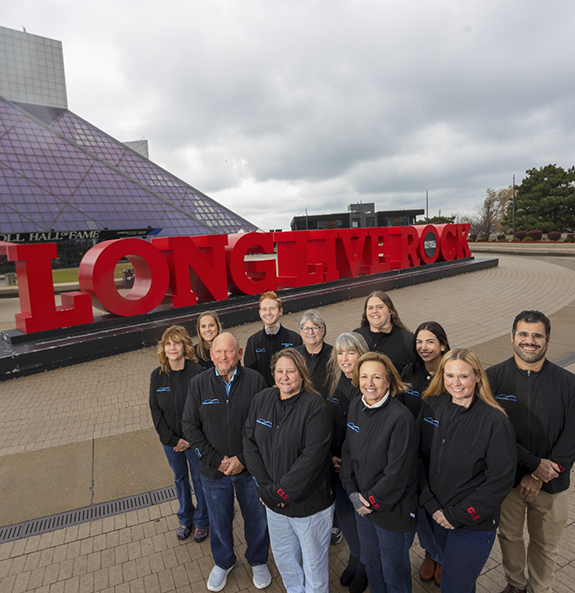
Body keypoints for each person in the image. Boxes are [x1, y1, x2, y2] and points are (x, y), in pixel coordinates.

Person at [485, 311, 575, 593]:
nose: (530, 341)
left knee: (546, 546)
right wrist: (532, 465)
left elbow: (572, 435)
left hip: (553, 483)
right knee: (509, 537)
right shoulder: (492, 379)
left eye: (537, 335)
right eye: (523, 334)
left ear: (547, 341)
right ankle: (515, 584)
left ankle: (540, 588)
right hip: (508, 480)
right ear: (512, 337)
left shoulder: (568, 382)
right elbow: (492, 434)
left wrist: (540, 475)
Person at [419, 348, 516, 593]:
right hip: (437, 516)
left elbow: (500, 480)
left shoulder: (494, 421)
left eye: (463, 376)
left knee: (454, 587)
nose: (456, 383)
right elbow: (417, 457)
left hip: (471, 524)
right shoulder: (432, 405)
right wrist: (431, 505)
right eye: (450, 375)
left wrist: (456, 515)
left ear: (478, 377)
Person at [183, 332, 271, 592]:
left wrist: (242, 459)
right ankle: (223, 562)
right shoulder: (198, 384)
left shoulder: (256, 381)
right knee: (219, 519)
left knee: (256, 517)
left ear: (239, 353)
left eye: (229, 351)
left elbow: (263, 425)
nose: (224, 356)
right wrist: (217, 460)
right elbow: (189, 426)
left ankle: (257, 559)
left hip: (249, 469)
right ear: (211, 354)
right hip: (214, 471)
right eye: (218, 352)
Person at [243, 348, 335, 593]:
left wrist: (281, 492)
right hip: (273, 503)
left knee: (314, 567)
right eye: (279, 371)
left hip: (309, 506)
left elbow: (312, 458)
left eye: (290, 371)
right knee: (286, 560)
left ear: (302, 374)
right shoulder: (262, 399)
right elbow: (249, 442)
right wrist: (265, 489)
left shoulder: (315, 406)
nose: (284, 377)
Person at [340, 352, 418, 593]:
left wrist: (369, 501)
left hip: (392, 512)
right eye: (364, 376)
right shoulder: (355, 405)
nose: (369, 383)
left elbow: (397, 472)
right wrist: (352, 492)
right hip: (363, 506)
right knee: (373, 566)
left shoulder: (400, 418)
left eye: (376, 377)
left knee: (394, 574)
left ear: (389, 381)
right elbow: (347, 451)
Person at [149, 325, 209, 543]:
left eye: (177, 343)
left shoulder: (198, 373)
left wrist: (190, 439)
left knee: (200, 479)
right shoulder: (157, 376)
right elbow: (156, 412)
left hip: (195, 442)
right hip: (171, 443)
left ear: (185, 346)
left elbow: (203, 410)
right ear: (163, 349)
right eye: (168, 344)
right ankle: (185, 518)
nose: (172, 347)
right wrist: (173, 440)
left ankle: (202, 520)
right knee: (180, 478)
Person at [400, 321, 450, 585]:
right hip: (414, 454)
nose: (424, 347)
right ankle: (430, 552)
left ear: (443, 344)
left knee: (440, 508)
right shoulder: (409, 372)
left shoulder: (452, 372)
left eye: (430, 341)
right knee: (421, 508)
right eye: (419, 342)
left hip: (443, 455)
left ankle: (444, 556)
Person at [324, 332, 369, 593]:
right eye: (340, 353)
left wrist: (350, 463)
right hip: (337, 465)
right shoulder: (334, 381)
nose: (344, 358)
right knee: (345, 515)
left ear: (361, 353)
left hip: (359, 470)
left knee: (361, 518)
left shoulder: (367, 384)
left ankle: (365, 565)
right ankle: (354, 556)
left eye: (350, 352)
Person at [244, 290, 302, 387]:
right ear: (259, 313)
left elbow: (300, 370)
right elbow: (250, 374)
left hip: (288, 393)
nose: (268, 313)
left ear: (280, 311)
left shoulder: (295, 339)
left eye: (272, 309)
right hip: (262, 395)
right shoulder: (253, 341)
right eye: (264, 309)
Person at [352, 290, 412, 373]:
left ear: (390, 311)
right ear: (366, 312)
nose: (374, 311)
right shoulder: (356, 337)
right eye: (370, 308)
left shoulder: (407, 340)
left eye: (380, 307)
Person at [295, 309, 333, 396]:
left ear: (323, 330)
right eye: (306, 328)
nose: (310, 332)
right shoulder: (294, 355)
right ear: (300, 332)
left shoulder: (333, 355)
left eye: (315, 328)